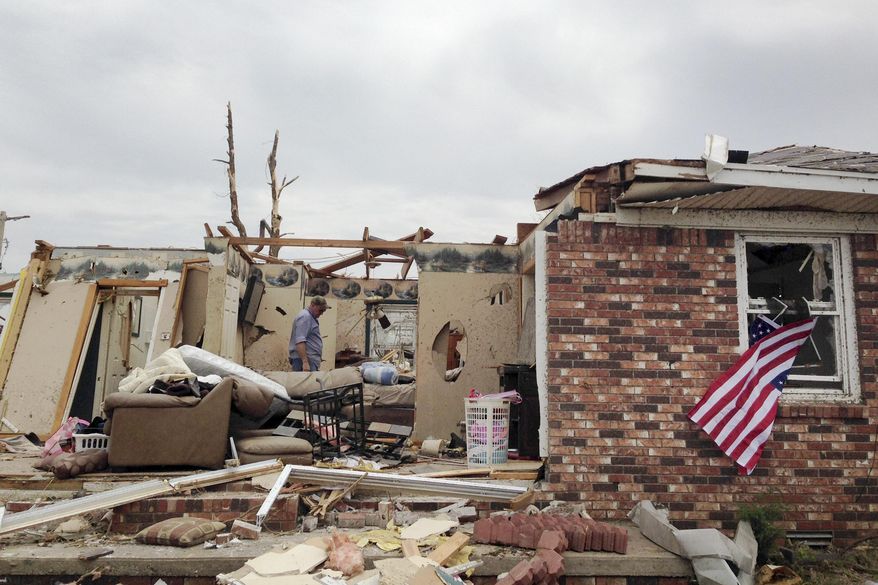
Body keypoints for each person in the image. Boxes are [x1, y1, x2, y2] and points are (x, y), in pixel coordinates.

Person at [289, 296, 330, 372]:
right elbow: (300, 341)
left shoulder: (310, 317)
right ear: (312, 305)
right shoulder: (305, 317)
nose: (321, 313)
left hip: (308, 360)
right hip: (303, 361)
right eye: (320, 310)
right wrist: (305, 362)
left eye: (323, 311)